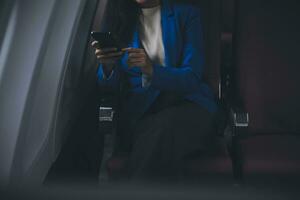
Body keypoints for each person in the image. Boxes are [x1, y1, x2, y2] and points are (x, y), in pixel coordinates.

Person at [91, 0, 218, 181]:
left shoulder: (187, 14)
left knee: (163, 129)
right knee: (157, 133)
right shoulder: (118, 19)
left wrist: (151, 70)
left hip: (189, 105)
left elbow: (192, 78)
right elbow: (109, 89)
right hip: (143, 111)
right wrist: (108, 66)